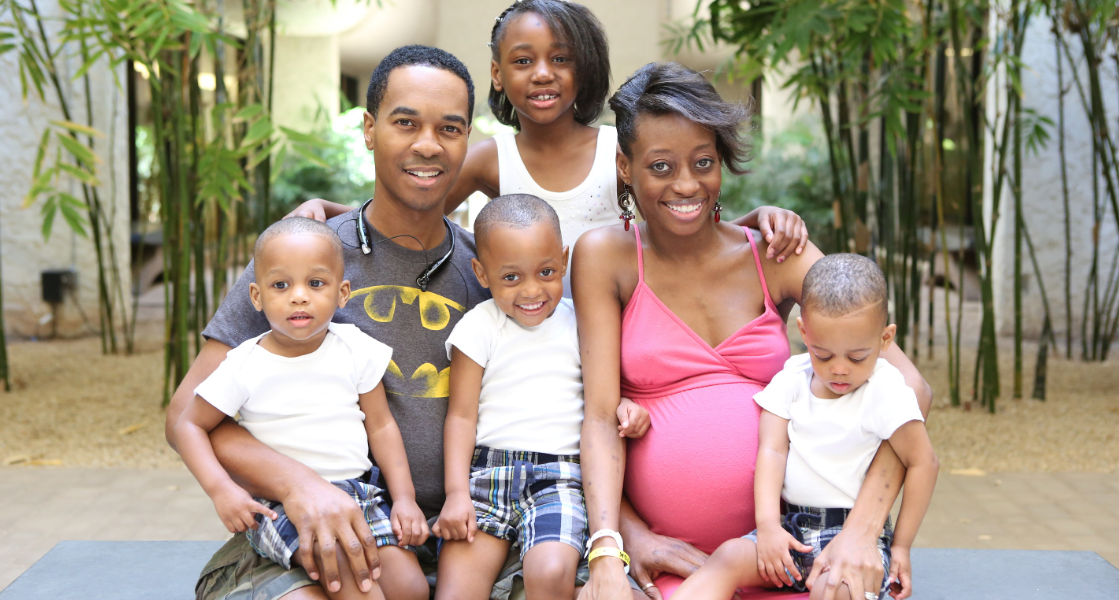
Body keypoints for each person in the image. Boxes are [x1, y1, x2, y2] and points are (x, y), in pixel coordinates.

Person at [571, 62, 933, 600]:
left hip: (798, 553)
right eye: (661, 166)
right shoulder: (606, 257)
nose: (686, 184)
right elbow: (600, 417)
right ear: (625, 166)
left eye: (703, 162)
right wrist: (618, 541)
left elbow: (911, 388)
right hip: (669, 560)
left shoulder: (775, 253)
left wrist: (860, 532)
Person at [166, 45, 489, 600]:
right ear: (368, 130)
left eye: (449, 128)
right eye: (405, 122)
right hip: (306, 528)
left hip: (468, 535)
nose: (428, 144)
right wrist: (301, 486)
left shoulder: (491, 271)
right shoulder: (300, 262)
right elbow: (185, 417)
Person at [288, 0, 810, 291]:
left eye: (560, 59)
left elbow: (686, 223)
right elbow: (408, 215)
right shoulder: (492, 158)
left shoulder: (619, 150)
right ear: (497, 74)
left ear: (583, 67)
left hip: (622, 327)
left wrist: (759, 218)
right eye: (523, 61)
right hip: (528, 338)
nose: (542, 73)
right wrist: (329, 212)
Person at [174, 218, 429, 600]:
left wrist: (405, 499)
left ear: (342, 293)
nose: (298, 296)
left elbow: (381, 427)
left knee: (409, 587)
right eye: (281, 285)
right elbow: (189, 425)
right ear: (256, 297)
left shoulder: (355, 347)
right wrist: (220, 489)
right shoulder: (244, 364)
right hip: (282, 505)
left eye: (315, 283)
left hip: (358, 492)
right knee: (352, 581)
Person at [671, 254, 938, 600]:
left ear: (885, 339)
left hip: (856, 537)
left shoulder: (886, 389)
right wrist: (768, 525)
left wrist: (901, 545)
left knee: (837, 589)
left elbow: (923, 463)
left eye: (857, 357)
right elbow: (772, 450)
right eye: (822, 354)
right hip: (792, 529)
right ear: (803, 331)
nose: (839, 369)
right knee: (728, 557)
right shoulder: (792, 379)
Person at [433, 194, 648, 600]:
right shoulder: (478, 327)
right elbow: (460, 417)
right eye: (511, 277)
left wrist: (624, 407)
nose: (532, 290)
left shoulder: (581, 322)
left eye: (546, 272)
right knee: (455, 591)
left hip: (559, 478)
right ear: (481, 273)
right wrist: (457, 493)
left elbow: (601, 394)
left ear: (564, 261)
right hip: (487, 479)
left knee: (550, 573)